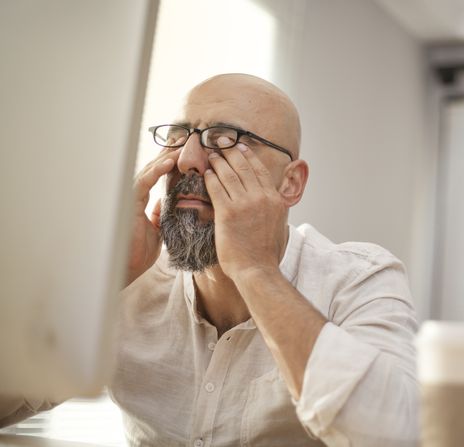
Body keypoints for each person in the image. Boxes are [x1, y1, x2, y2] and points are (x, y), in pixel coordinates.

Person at [0, 74, 419, 446]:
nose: (187, 160)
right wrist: (104, 281)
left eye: (225, 140)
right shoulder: (132, 278)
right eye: (180, 136)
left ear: (290, 183)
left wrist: (255, 270)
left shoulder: (360, 278)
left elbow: (394, 436)